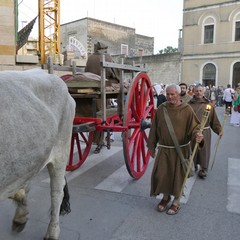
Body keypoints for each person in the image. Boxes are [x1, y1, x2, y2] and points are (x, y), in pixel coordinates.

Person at [147, 84, 204, 215]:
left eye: (172, 94)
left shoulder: (187, 109)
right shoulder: (162, 109)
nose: (169, 97)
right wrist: (151, 146)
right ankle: (165, 198)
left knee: (178, 177)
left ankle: (176, 201)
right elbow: (154, 128)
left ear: (179, 94)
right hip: (165, 150)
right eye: (167, 94)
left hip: (181, 151)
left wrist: (197, 135)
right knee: (163, 175)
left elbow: (195, 127)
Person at [85, 41, 120, 153]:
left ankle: (98, 141)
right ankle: (99, 142)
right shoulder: (107, 57)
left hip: (88, 89)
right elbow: (114, 73)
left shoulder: (90, 58)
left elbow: (86, 72)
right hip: (101, 89)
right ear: (105, 48)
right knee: (100, 116)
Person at [188, 84, 223, 178]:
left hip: (205, 131)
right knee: (192, 149)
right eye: (197, 91)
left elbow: (214, 120)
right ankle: (193, 165)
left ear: (203, 92)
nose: (198, 92)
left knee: (204, 150)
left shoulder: (208, 105)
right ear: (194, 92)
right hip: (192, 131)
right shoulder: (189, 104)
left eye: (200, 91)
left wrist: (219, 129)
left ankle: (203, 169)